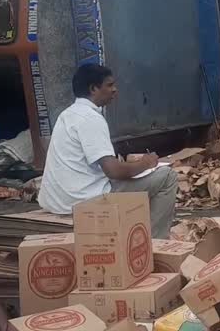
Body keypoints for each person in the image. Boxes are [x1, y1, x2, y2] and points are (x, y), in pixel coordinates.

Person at [38, 64, 177, 239]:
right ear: (94, 89)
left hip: (58, 201)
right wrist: (146, 163)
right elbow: (114, 171)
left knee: (134, 177)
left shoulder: (67, 115)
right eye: (110, 85)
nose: (115, 90)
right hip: (83, 201)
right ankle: (155, 242)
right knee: (167, 177)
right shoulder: (91, 118)